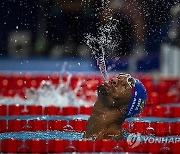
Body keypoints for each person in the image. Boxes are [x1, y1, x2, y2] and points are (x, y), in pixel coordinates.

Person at [84, 73, 147, 139]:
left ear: (124, 109)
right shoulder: (93, 131)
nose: (114, 80)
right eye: (118, 78)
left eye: (124, 86)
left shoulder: (112, 141)